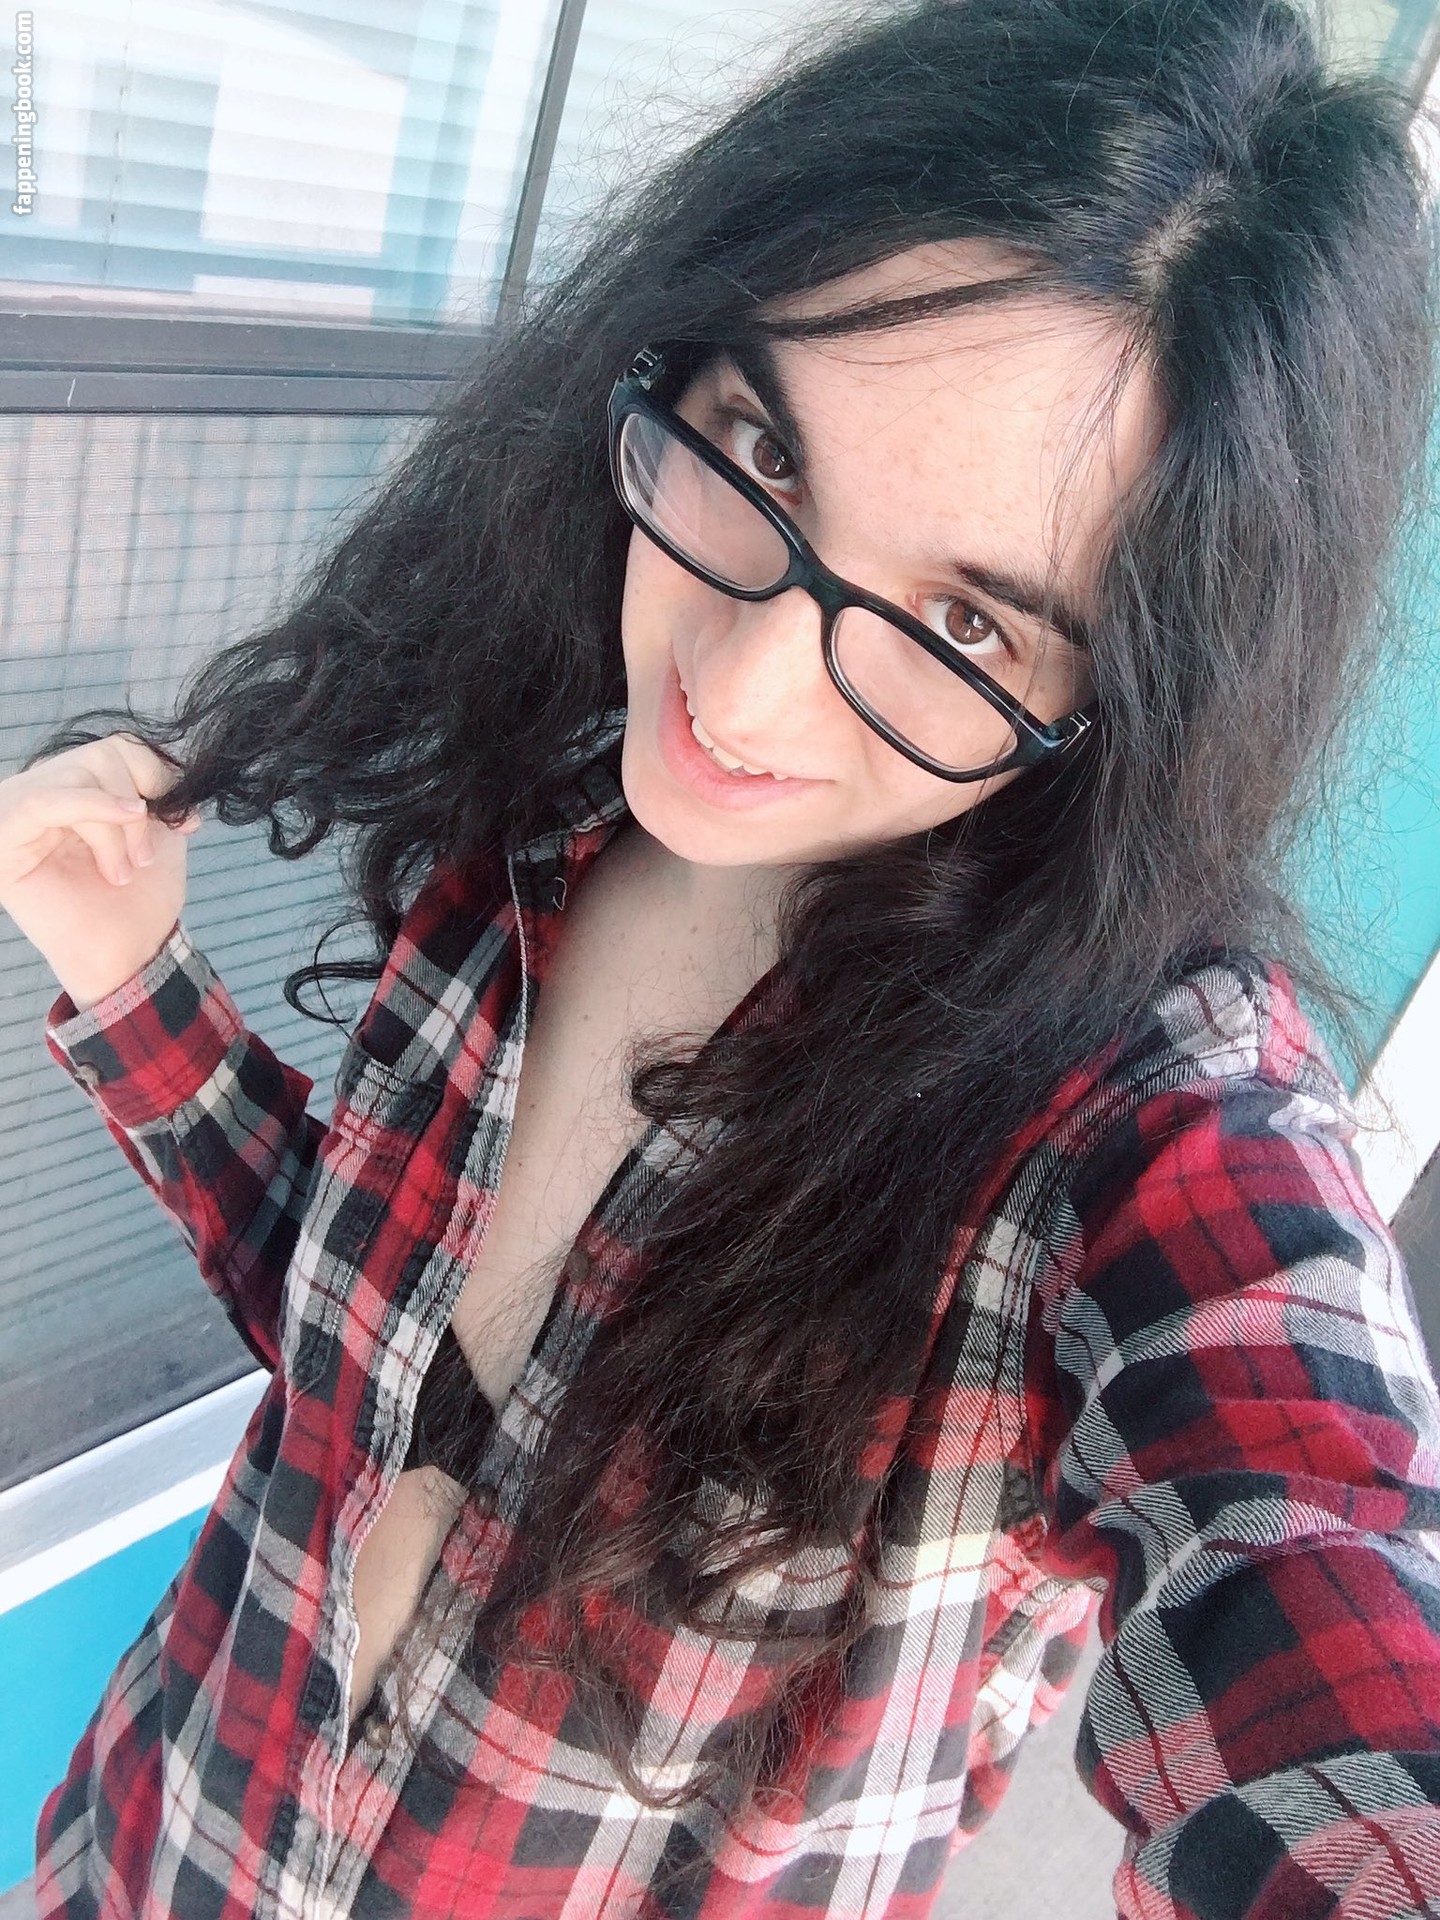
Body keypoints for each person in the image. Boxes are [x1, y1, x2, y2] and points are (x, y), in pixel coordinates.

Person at [4, 0, 1440, 1912]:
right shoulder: (550, 825)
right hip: (158, 1840)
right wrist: (142, 997)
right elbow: (367, 1356)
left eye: (966, 625)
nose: (739, 693)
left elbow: (1311, 1566)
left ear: (1127, 702)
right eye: (763, 449)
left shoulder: (1111, 1122)